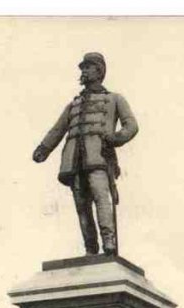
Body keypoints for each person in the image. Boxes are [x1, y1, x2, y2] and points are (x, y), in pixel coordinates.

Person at [32, 52, 139, 255]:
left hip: (98, 157)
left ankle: (109, 243)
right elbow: (58, 129)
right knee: (81, 205)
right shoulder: (74, 104)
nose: (83, 71)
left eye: (87, 67)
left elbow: (131, 125)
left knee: (101, 198)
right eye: (83, 68)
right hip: (74, 159)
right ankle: (90, 247)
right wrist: (43, 149)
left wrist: (116, 138)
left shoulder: (115, 99)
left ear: (99, 71)